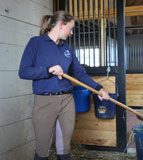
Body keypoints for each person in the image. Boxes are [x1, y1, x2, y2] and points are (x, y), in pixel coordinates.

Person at [18, 11, 109, 160]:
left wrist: (98, 89)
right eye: (70, 28)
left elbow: (80, 74)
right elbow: (24, 72)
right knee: (42, 149)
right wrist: (48, 70)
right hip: (44, 102)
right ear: (61, 25)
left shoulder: (67, 49)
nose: (72, 33)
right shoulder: (36, 43)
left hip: (67, 101)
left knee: (64, 148)